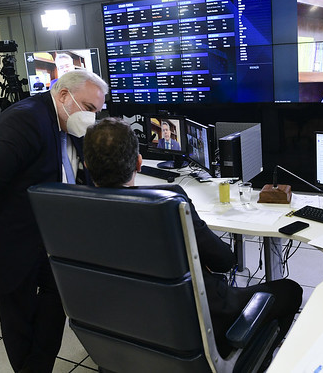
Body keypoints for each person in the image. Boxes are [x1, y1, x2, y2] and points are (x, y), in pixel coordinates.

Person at [83, 117, 302, 367]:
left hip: (126, 324)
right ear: (139, 163)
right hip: (196, 324)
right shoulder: (169, 201)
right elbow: (224, 261)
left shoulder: (70, 209)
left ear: (87, 165)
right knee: (290, 291)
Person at [0, 70, 108, 372]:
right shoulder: (25, 121)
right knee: (17, 314)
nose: (91, 117)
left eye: (96, 111)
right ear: (63, 95)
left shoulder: (67, 123)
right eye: (88, 108)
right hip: (11, 238)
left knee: (58, 296)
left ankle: (38, 364)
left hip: (50, 236)